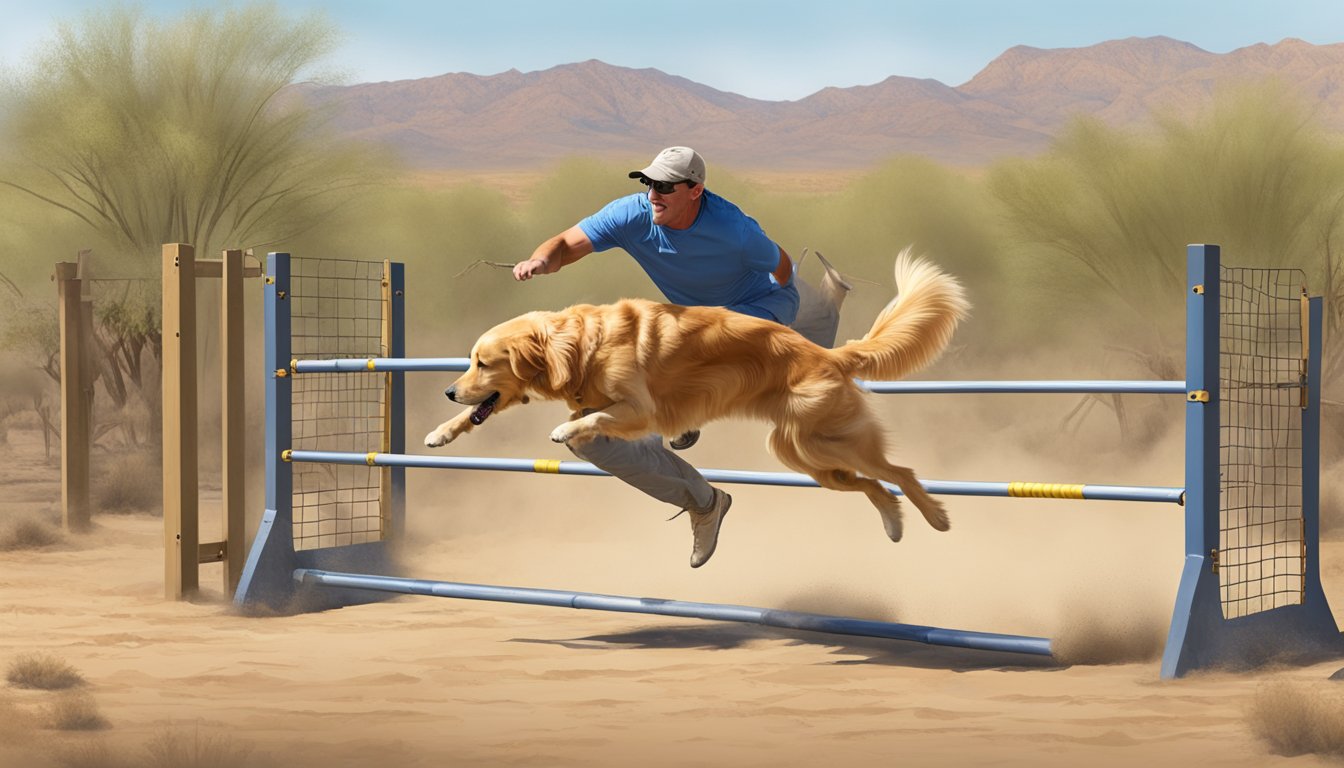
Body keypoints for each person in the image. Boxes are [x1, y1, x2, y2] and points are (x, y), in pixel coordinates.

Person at [513, 146, 830, 568]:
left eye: (664, 186)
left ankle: (693, 408)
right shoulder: (631, 214)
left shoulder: (733, 228)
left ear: (696, 190)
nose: (652, 195)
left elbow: (783, 268)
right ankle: (705, 503)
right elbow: (567, 243)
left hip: (761, 307)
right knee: (590, 438)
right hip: (691, 324)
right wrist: (542, 260)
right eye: (648, 184)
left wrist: (776, 330)